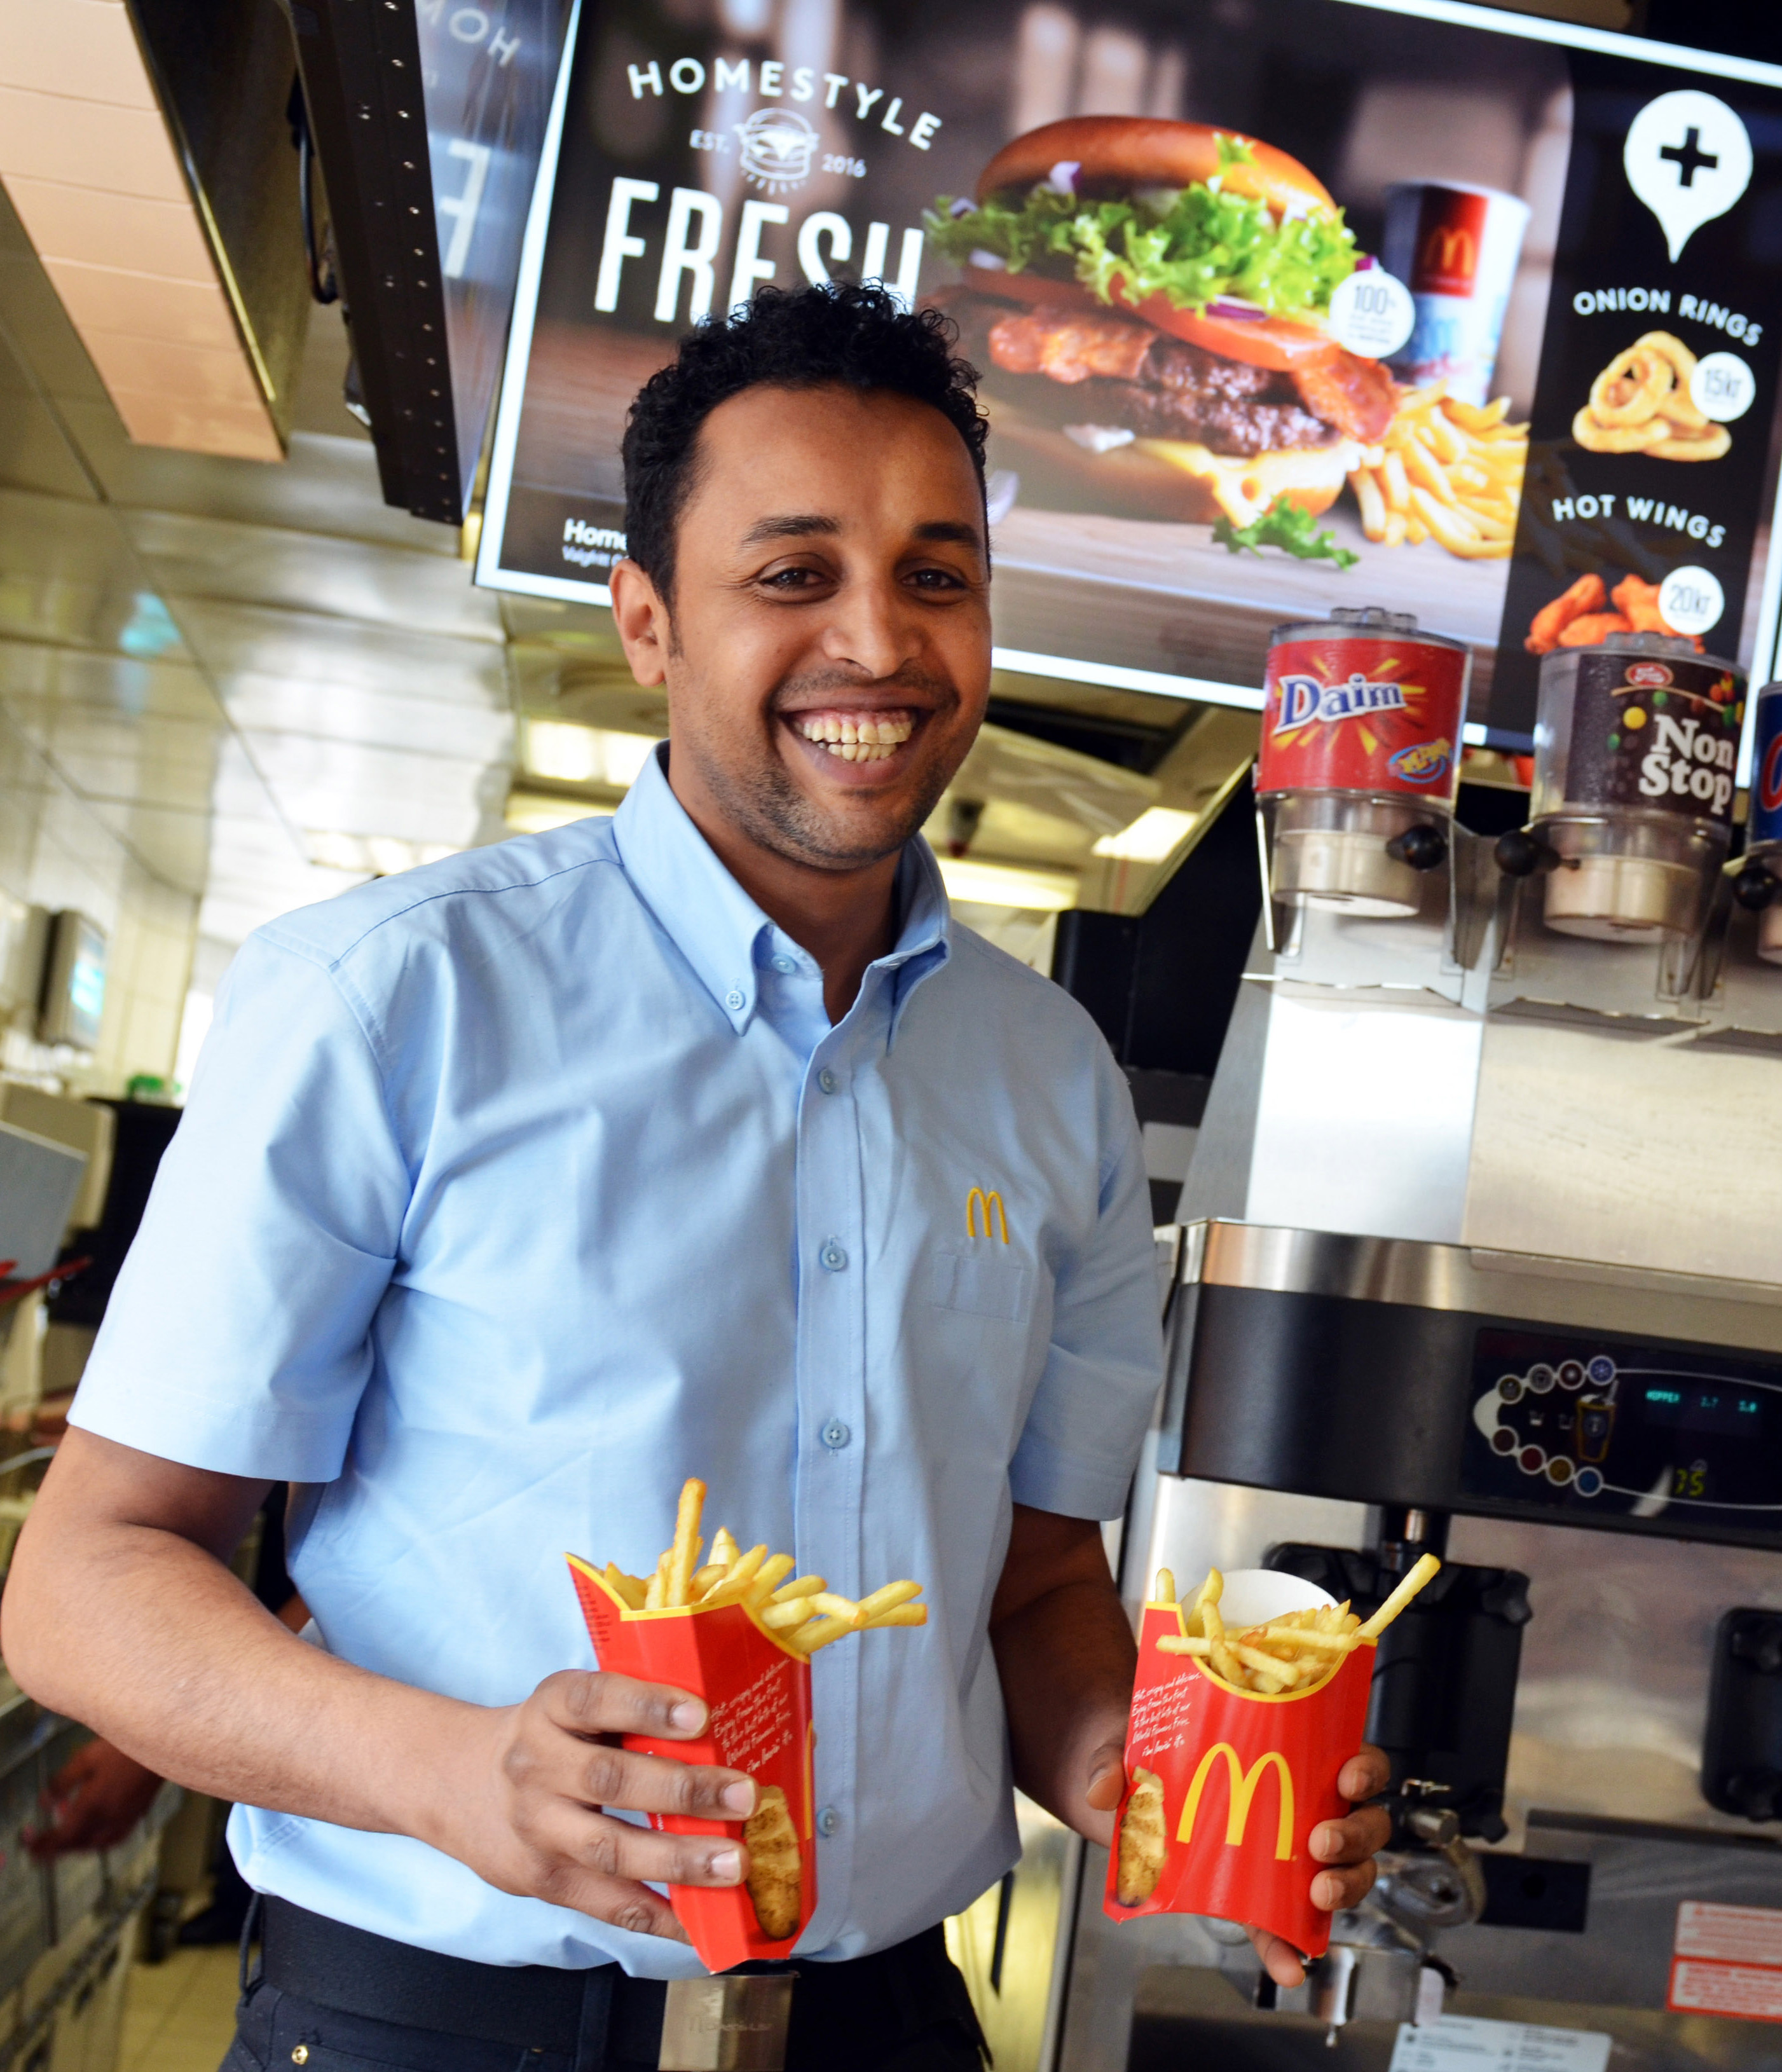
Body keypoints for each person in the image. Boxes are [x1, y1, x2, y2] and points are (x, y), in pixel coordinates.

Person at [3, 285, 1388, 2072]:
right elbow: (87, 1580)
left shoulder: (1049, 1080)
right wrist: (463, 1774)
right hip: (443, 2024)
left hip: (884, 2021)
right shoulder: (394, 996)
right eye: (793, 574)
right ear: (648, 621)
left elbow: (1035, 1583)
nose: (878, 642)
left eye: (938, 575)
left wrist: (1131, 1772)